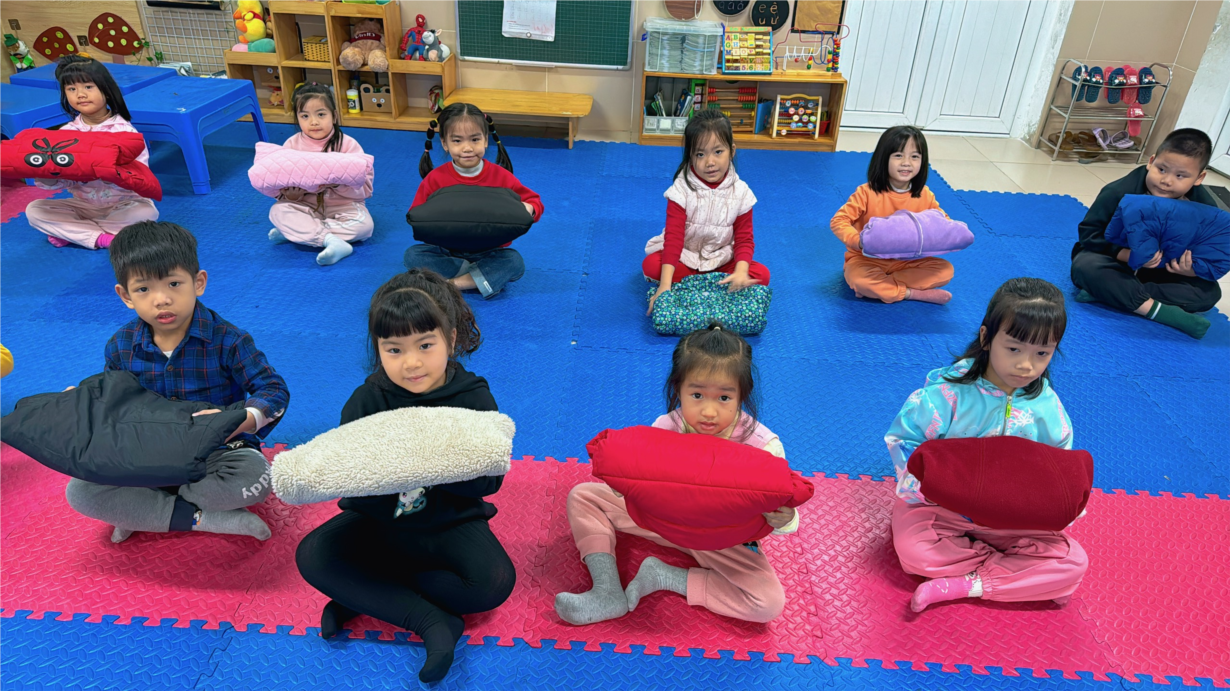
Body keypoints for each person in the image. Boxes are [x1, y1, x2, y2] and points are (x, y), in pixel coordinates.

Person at [295, 270, 515, 684]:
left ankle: (368, 596)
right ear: (378, 348)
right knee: (313, 555)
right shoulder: (368, 399)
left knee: (494, 584)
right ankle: (431, 620)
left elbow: (489, 482)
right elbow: (348, 477)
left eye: (425, 345)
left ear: (451, 339)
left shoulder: (472, 398)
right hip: (380, 523)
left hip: (449, 522)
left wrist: (431, 461)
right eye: (394, 349)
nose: (411, 363)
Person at [555, 322, 796, 625]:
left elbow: (784, 505)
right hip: (664, 523)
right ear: (678, 389)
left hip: (722, 540)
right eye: (697, 395)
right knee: (583, 496)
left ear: (741, 395)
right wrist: (623, 483)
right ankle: (606, 590)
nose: (709, 412)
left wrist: (785, 519)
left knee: (767, 604)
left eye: (724, 398)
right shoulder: (667, 427)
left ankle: (664, 575)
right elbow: (641, 477)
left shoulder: (764, 447)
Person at [64, 221, 289, 543]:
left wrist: (240, 420)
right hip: (147, 450)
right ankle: (197, 518)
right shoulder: (120, 345)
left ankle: (146, 511)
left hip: (219, 450)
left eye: (173, 284)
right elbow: (115, 399)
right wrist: (84, 401)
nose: (161, 299)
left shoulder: (228, 339)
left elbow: (274, 389)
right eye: (143, 289)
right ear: (125, 296)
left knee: (254, 482)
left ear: (198, 283)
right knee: (80, 492)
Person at [886, 278, 1088, 612]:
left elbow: (1058, 471)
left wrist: (1059, 506)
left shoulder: (1048, 409)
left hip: (1012, 519)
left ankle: (967, 584)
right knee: (915, 552)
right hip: (943, 510)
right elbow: (904, 441)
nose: (1026, 365)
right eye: (1014, 349)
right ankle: (1020, 577)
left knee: (1074, 562)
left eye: (1042, 353)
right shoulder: (946, 395)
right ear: (986, 338)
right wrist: (924, 490)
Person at [1070, 128, 1220, 339]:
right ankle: (1162, 313)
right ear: (1151, 161)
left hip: (1161, 271)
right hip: (1114, 261)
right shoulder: (1118, 192)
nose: (1166, 181)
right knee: (1086, 267)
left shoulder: (1205, 208)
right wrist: (1126, 254)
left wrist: (1191, 270)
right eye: (1161, 169)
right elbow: (1089, 234)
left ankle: (1108, 293)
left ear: (1199, 178)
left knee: (1209, 294)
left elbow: (1209, 253)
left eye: (1180, 176)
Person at [404, 103, 542, 298]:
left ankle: (451, 284)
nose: (467, 148)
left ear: (485, 140)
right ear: (444, 143)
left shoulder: (500, 176)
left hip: (489, 251)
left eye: (475, 139)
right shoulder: (435, 178)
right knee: (412, 256)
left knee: (514, 262)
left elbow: (534, 201)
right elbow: (417, 213)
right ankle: (478, 278)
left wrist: (528, 209)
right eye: (457, 141)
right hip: (448, 251)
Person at [25, 55, 158, 250]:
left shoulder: (126, 132)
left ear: (107, 91)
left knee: (146, 214)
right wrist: (47, 175)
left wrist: (106, 171)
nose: (80, 94)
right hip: (84, 205)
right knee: (34, 210)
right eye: (71, 89)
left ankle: (75, 233)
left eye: (88, 87)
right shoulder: (65, 134)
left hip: (124, 204)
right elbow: (64, 180)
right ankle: (102, 238)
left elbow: (140, 174)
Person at [645, 110, 769, 315]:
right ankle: (713, 288)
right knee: (651, 266)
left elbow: (744, 239)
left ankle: (695, 286)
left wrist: (740, 271)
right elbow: (674, 239)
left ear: (732, 151)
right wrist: (664, 287)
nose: (710, 162)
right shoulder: (681, 190)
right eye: (700, 154)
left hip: (721, 260)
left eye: (718, 152)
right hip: (686, 257)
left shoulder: (742, 192)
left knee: (762, 274)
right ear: (690, 156)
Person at [831, 126, 954, 304]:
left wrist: (946, 235)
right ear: (883, 159)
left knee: (945, 270)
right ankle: (912, 293)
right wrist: (858, 241)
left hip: (908, 261)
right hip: (867, 259)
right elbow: (839, 220)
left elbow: (942, 222)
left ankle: (880, 288)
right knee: (859, 278)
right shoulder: (866, 192)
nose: (906, 163)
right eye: (898, 155)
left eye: (915, 156)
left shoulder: (925, 195)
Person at [267, 85, 374, 266]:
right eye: (305, 116)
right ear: (297, 118)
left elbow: (365, 189)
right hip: (305, 206)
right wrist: (291, 196)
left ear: (334, 115)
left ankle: (298, 232)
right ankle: (326, 239)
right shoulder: (291, 145)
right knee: (277, 211)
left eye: (321, 114)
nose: (314, 122)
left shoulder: (349, 145)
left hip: (343, 207)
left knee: (365, 227)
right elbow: (280, 183)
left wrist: (338, 184)